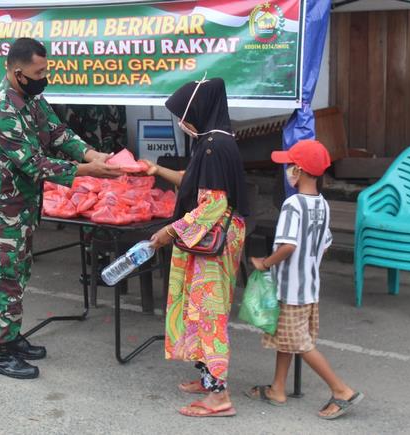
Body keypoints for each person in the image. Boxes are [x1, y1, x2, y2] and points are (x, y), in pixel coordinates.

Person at [0, 37, 122, 380]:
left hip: (22, 207)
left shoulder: (31, 99)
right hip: (1, 210)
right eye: (39, 71)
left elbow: (58, 132)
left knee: (18, 274)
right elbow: (35, 164)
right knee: (3, 281)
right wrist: (87, 171)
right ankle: (1, 352)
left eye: (46, 68)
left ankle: (11, 338)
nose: (45, 76)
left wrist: (90, 154)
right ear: (17, 72)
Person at [147, 77, 249, 417]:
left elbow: (212, 205)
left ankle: (219, 396)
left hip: (212, 240)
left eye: (183, 114)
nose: (182, 122)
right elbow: (194, 181)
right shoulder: (214, 140)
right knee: (198, 308)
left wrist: (169, 232)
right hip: (214, 238)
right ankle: (208, 378)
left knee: (208, 314)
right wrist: (155, 168)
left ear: (198, 111)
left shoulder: (212, 146)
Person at [247, 139, 363, 420]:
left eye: (289, 166)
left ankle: (341, 390)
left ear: (298, 170)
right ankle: (277, 388)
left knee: (300, 342)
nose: (286, 170)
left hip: (291, 288)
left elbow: (287, 245)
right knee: (288, 338)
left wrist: (264, 263)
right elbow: (325, 244)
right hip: (309, 285)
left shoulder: (293, 204)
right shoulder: (322, 204)